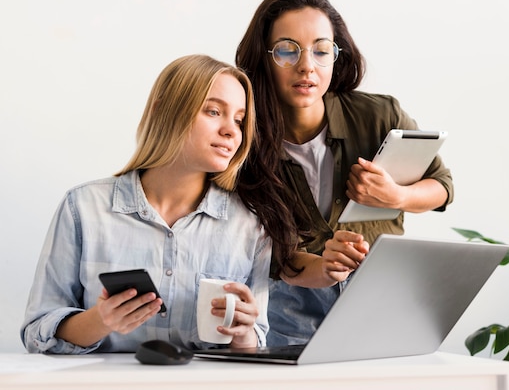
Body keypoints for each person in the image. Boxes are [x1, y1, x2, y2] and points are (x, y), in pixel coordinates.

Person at [21, 54, 363, 354]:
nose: (232, 131)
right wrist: (100, 320)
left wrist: (243, 333)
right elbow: (38, 330)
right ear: (163, 111)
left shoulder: (251, 223)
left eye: (240, 120)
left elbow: (254, 339)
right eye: (214, 111)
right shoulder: (83, 207)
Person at [236, 0, 455, 346]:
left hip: (380, 297)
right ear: (264, 57)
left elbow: (443, 186)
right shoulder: (243, 138)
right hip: (289, 306)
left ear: (337, 56)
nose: (307, 65)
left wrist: (395, 195)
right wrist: (321, 267)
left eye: (321, 51)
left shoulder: (379, 115)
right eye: (288, 50)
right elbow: (254, 249)